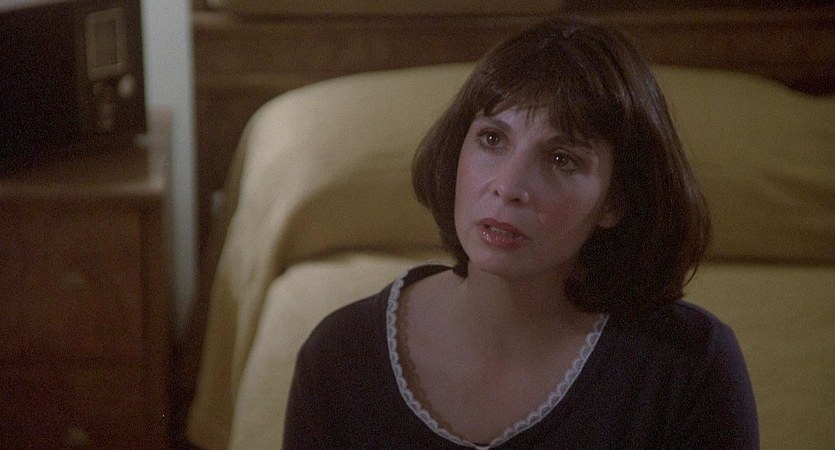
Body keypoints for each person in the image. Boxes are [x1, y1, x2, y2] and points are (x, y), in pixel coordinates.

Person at [283, 18, 758, 449]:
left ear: (615, 201)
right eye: (492, 139)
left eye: (562, 159)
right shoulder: (340, 356)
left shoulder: (690, 365)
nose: (509, 187)